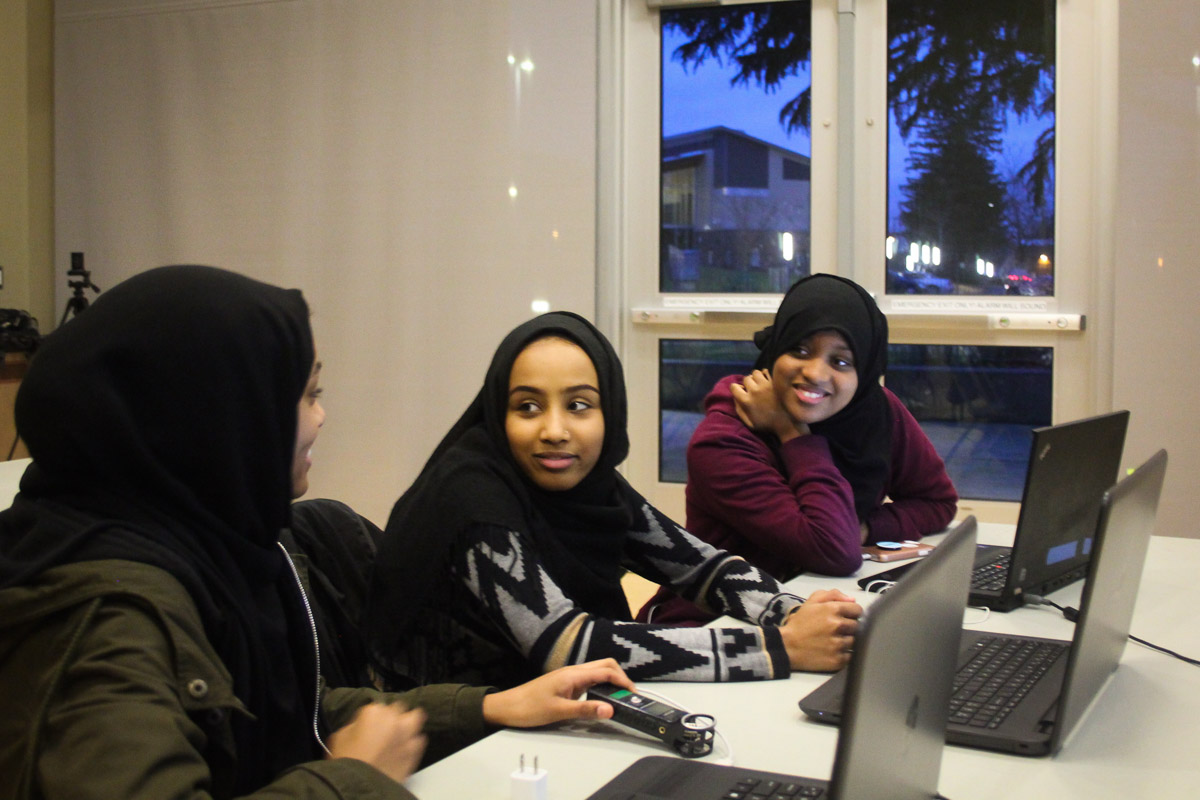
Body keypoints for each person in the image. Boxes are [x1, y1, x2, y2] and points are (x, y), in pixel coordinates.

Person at [0, 265, 634, 800]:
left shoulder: (218, 546)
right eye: (306, 396)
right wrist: (349, 781)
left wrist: (491, 706)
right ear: (218, 420)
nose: (322, 418)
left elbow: (291, 712)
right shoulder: (108, 615)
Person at [366, 311, 862, 691]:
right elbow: (565, 645)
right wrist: (780, 648)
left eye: (579, 405)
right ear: (498, 413)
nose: (554, 431)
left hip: (546, 712)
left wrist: (792, 612)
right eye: (527, 407)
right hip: (452, 739)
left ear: (611, 413)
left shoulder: (589, 484)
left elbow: (696, 565)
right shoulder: (472, 497)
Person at [640, 274, 957, 625]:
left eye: (840, 362)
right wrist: (795, 436)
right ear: (776, 348)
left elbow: (937, 502)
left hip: (817, 612)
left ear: (864, 373)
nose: (815, 373)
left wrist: (865, 529)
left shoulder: (876, 413)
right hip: (716, 628)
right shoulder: (723, 439)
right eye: (800, 350)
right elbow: (833, 549)